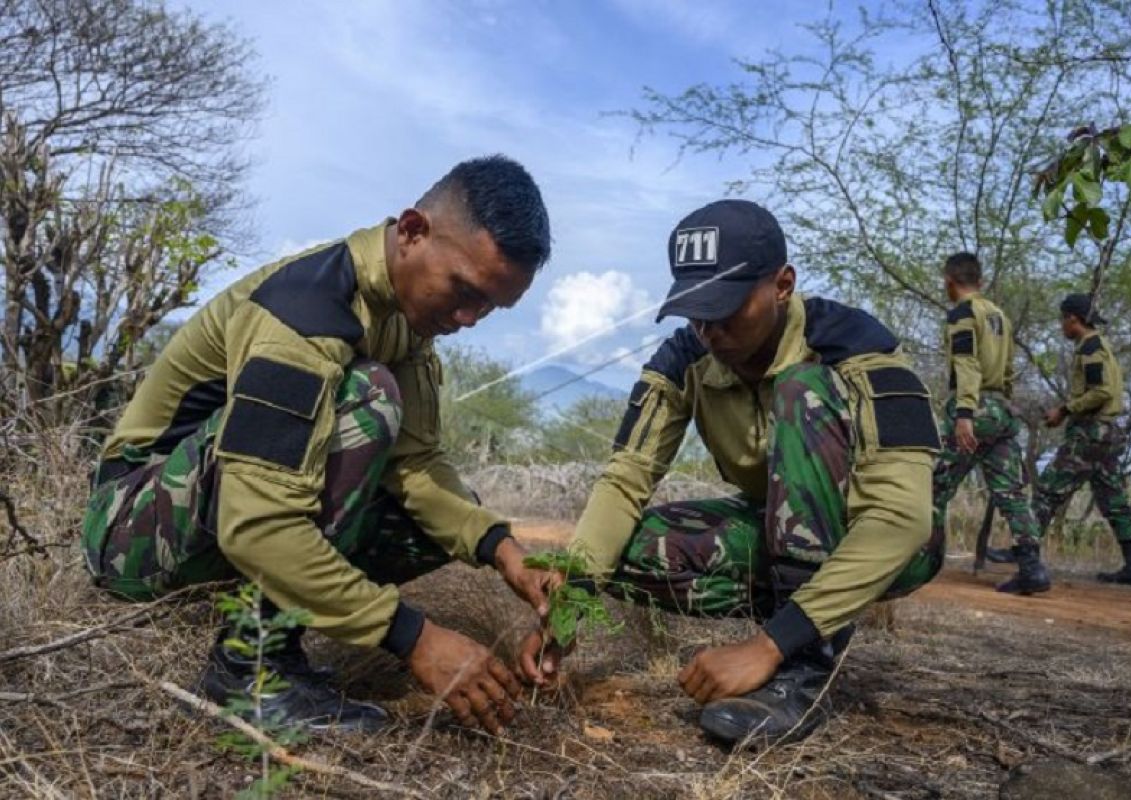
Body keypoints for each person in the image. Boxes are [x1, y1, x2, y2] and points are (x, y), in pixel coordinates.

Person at [81, 155, 559, 733]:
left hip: (210, 515)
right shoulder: (305, 313)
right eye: (464, 289)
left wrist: (505, 551)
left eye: (491, 306)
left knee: (453, 511)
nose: (469, 317)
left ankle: (269, 630)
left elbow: (416, 465)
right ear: (411, 231)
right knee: (369, 397)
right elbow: (256, 524)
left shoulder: (408, 317)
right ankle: (251, 666)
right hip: (129, 528)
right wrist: (414, 637)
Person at [519, 199, 944, 746]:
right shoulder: (683, 360)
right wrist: (570, 603)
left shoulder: (856, 350)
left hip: (894, 545)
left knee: (803, 393)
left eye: (726, 307)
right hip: (780, 536)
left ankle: (801, 671)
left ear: (783, 285)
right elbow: (624, 480)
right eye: (696, 309)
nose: (709, 328)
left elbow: (901, 520)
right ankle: (813, 610)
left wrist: (768, 645)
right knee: (623, 550)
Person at [931, 252, 1049, 595]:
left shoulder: (962, 314)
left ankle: (921, 559)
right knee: (1011, 492)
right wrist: (1003, 405)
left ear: (949, 281)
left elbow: (966, 365)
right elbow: (1008, 367)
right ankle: (1032, 569)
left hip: (975, 408)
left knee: (935, 486)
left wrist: (965, 413)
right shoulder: (999, 316)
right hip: (1000, 408)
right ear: (979, 282)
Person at [1033, 294, 1131, 589]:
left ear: (1073, 318)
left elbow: (1100, 393)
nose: (1061, 325)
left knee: (1048, 489)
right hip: (1106, 433)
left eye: (1063, 319)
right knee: (1113, 500)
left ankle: (1024, 554)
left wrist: (1064, 409)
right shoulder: (1100, 346)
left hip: (1089, 432)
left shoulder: (1090, 348)